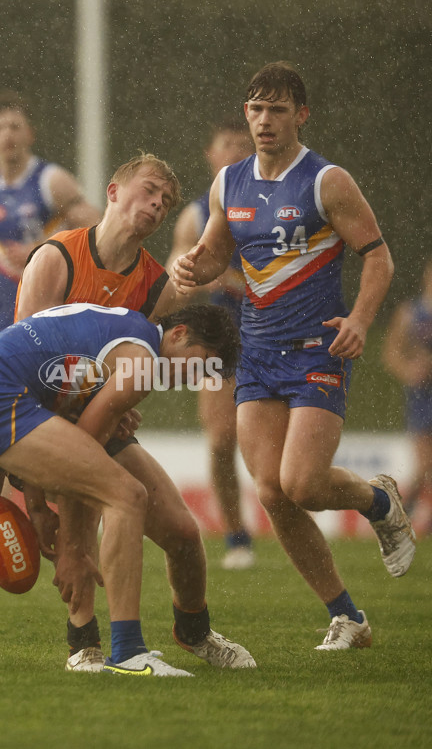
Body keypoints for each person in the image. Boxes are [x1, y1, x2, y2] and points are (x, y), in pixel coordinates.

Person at [0, 302, 253, 677]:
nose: (190, 378)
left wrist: (38, 509)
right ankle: (129, 653)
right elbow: (85, 448)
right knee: (127, 496)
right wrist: (73, 549)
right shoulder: (143, 360)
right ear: (178, 333)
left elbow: (61, 436)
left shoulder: (120, 331)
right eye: (197, 364)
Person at [170, 61, 416, 651]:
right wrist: (190, 267)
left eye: (277, 109)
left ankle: (379, 501)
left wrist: (359, 320)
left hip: (317, 347)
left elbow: (378, 257)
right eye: (255, 108)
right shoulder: (229, 183)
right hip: (256, 351)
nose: (263, 120)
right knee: (273, 492)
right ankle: (349, 618)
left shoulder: (327, 180)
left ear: (300, 115)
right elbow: (212, 253)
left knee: (302, 483)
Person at [14, 153, 256, 673]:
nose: (156, 204)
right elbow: (24, 364)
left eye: (165, 201)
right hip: (35, 418)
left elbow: (146, 363)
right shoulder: (56, 258)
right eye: (149, 191)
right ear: (113, 191)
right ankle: (84, 644)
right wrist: (37, 493)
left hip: (94, 420)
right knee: (56, 528)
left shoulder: (156, 287)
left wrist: (120, 405)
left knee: (184, 535)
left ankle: (194, 632)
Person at [166, 118, 256, 570]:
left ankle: (283, 517)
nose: (238, 152)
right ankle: (237, 535)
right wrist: (202, 277)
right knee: (222, 440)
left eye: (245, 145)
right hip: (221, 341)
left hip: (273, 335)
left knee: (267, 448)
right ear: (211, 154)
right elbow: (174, 283)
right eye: (228, 144)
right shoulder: (197, 216)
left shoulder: (274, 203)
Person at [0, 91, 101, 339]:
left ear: (30, 134)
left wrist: (40, 250)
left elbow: (99, 229)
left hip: (56, 296)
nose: (7, 134)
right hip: (7, 300)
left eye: (15, 127)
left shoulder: (51, 180)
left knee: (51, 372)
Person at [383, 258, 432, 533]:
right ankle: (399, 517)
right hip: (423, 396)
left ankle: (401, 519)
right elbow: (392, 354)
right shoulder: (410, 312)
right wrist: (411, 370)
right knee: (425, 465)